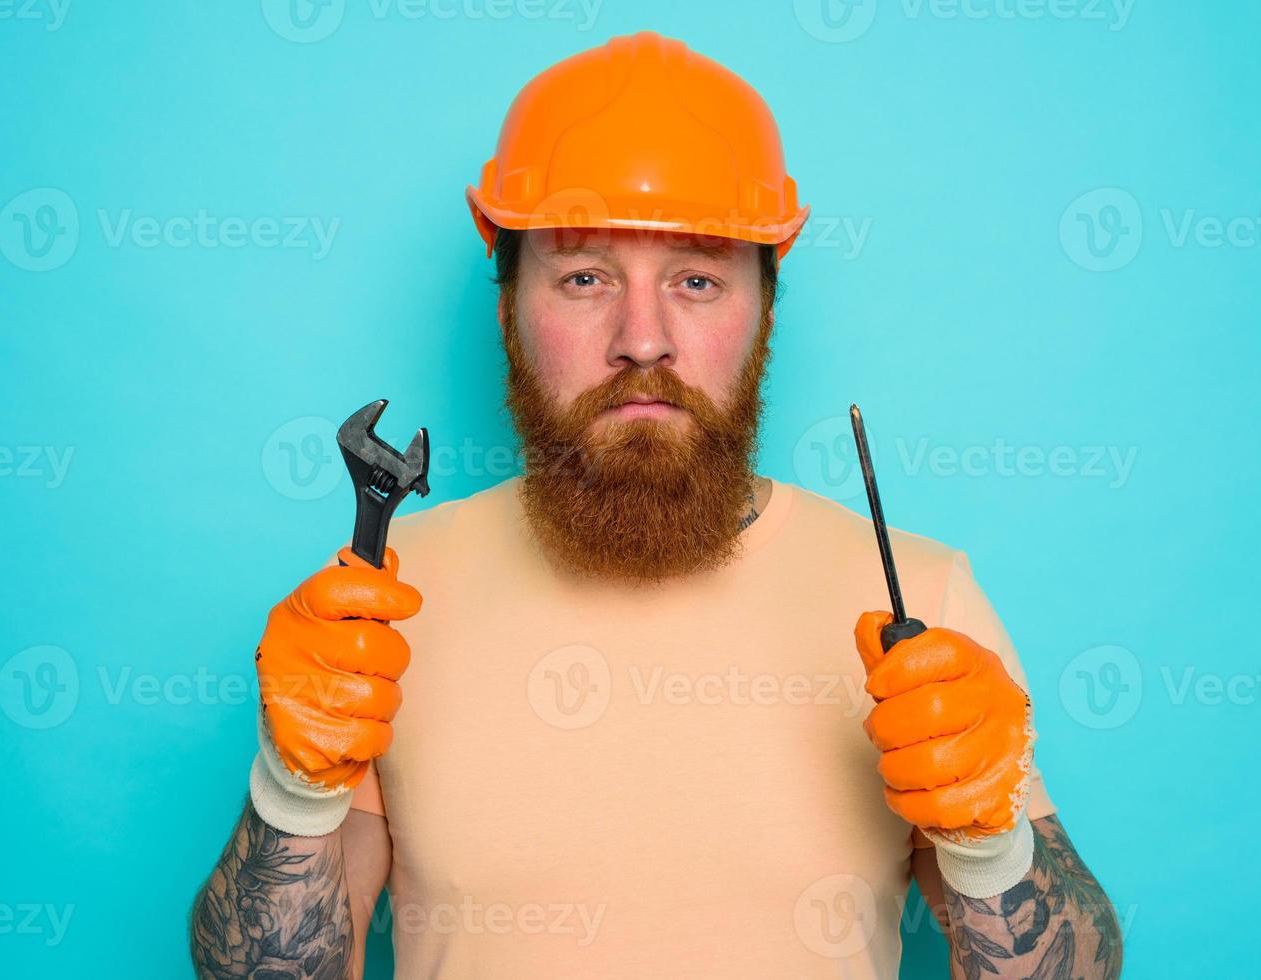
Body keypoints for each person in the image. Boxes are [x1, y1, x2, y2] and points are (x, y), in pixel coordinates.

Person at [189, 29, 1122, 979]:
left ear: (764, 312)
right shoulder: (381, 602)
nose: (643, 339)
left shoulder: (919, 604)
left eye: (698, 279)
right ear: (508, 307)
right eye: (584, 277)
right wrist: (291, 792)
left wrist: (987, 841)